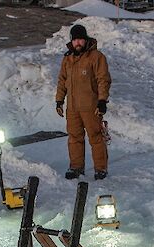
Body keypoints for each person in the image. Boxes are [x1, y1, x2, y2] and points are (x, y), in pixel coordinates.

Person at [55, 24, 111, 180]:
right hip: (72, 108)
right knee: (74, 137)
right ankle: (76, 167)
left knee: (96, 137)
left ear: (85, 40)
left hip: (91, 107)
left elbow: (103, 80)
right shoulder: (67, 59)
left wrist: (102, 101)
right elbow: (62, 81)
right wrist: (59, 100)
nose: (77, 43)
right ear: (71, 41)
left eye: (80, 39)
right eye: (75, 40)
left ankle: (101, 169)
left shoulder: (96, 57)